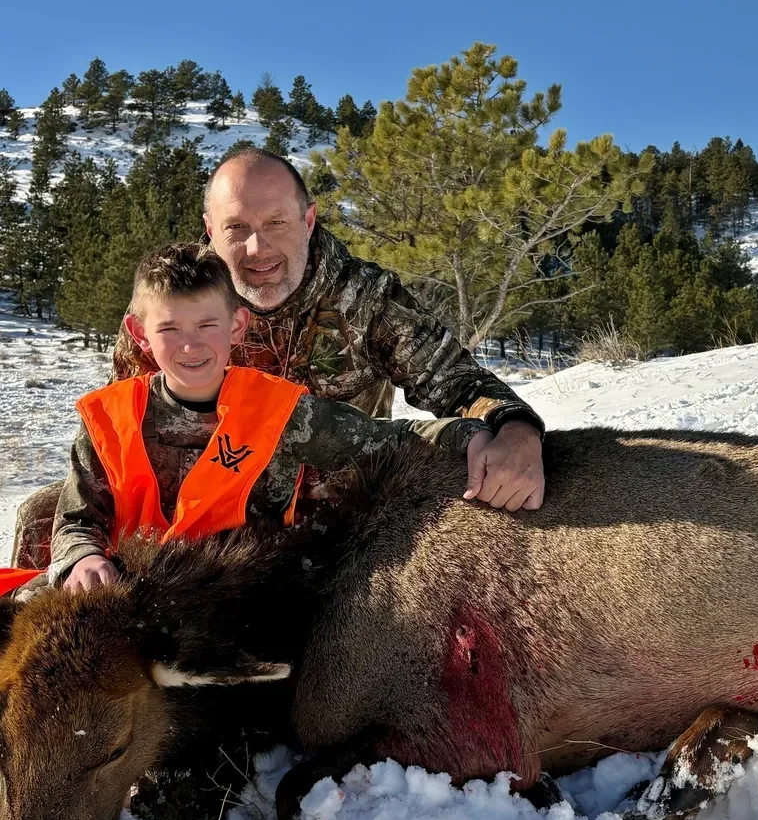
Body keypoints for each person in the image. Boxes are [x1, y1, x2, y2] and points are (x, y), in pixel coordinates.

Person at [11, 147, 545, 570]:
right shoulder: (172, 310)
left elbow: (458, 383)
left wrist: (516, 429)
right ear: (209, 229)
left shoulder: (366, 300)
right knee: (43, 519)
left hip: (330, 511)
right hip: (197, 513)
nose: (255, 249)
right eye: (236, 228)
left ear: (308, 220)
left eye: (276, 224)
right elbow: (125, 437)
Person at [0, 244, 490, 598]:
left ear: (236, 326)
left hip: (234, 604)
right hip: (129, 592)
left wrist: (484, 434)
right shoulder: (110, 419)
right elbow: (77, 519)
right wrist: (82, 558)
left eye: (206, 325)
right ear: (140, 333)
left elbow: (393, 441)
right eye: (169, 328)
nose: (190, 345)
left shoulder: (281, 414)